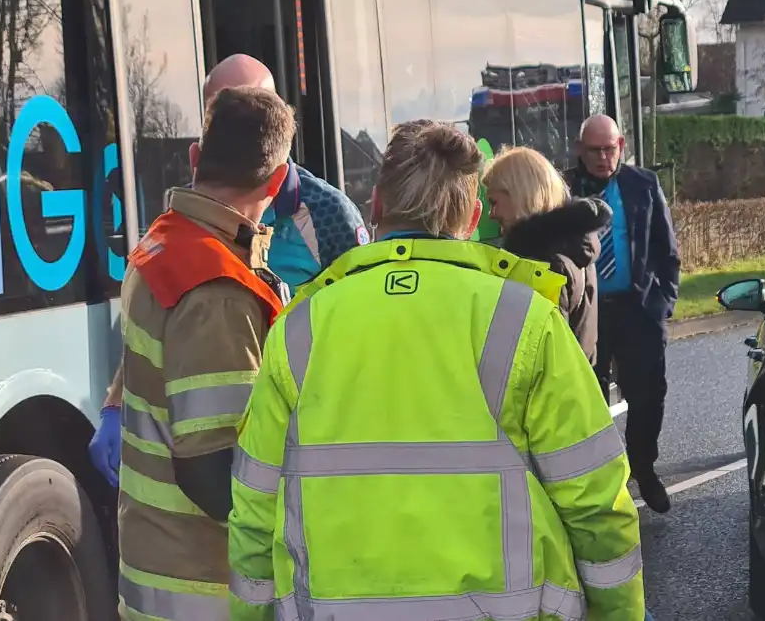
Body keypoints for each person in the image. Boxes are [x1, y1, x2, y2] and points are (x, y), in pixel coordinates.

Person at [227, 120, 647, 620]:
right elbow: (597, 504)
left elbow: (252, 514)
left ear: (377, 205)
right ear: (472, 218)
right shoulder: (525, 321)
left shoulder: (298, 330)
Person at [89, 54, 368, 487]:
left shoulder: (331, 218)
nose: (238, 133)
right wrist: (114, 402)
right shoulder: (194, 238)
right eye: (221, 114)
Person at [116, 86, 295, 620]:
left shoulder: (166, 242)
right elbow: (215, 472)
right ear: (278, 181)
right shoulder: (216, 288)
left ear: (196, 157)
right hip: (204, 589)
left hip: (158, 571)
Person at [565, 114, 680, 515]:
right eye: (594, 150)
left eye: (608, 148)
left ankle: (644, 468)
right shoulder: (565, 189)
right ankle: (600, 482)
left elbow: (666, 251)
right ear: (580, 150)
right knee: (587, 400)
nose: (602, 157)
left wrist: (664, 302)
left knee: (648, 396)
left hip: (639, 308)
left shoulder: (642, 185)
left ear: (621, 145)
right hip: (587, 311)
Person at [483, 145, 611, 365]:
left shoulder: (543, 263)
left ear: (519, 195)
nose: (491, 214)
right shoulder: (573, 247)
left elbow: (542, 357)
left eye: (494, 203)